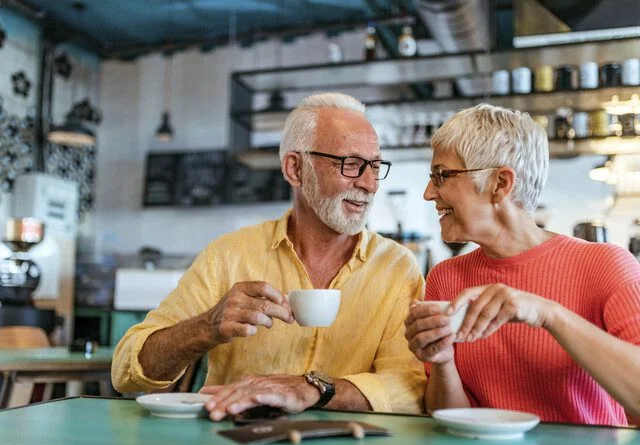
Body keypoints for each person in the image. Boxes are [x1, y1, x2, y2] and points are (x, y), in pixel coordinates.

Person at [112, 92, 426, 419]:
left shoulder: (396, 267)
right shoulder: (229, 255)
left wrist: (314, 388)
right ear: (295, 168)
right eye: (350, 164)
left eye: (375, 166)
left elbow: (410, 386)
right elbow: (126, 371)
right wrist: (207, 326)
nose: (369, 184)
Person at [404, 104, 640, 426]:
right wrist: (442, 361)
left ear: (500, 184)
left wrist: (547, 313)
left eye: (442, 175)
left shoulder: (605, 265)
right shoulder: (447, 277)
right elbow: (447, 416)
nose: (429, 193)